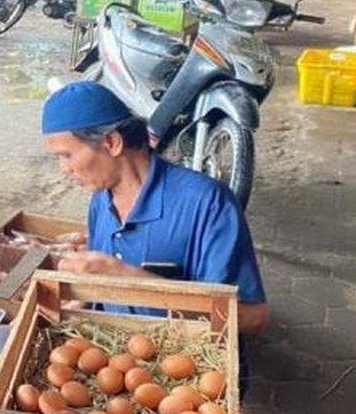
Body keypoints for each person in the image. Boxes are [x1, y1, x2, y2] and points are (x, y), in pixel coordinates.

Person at [40, 82, 270, 337]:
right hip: (118, 355)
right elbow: (103, 288)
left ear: (113, 142)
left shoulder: (206, 203)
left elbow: (253, 317)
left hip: (187, 357)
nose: (64, 169)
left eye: (66, 156)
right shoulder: (101, 201)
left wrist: (133, 280)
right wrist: (82, 299)